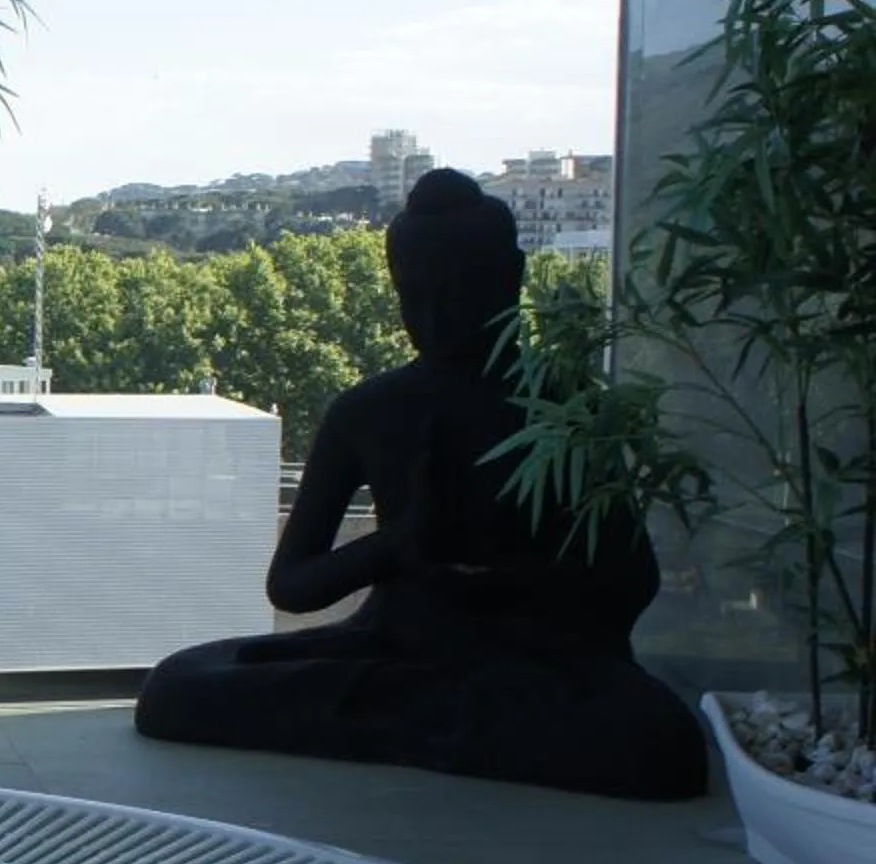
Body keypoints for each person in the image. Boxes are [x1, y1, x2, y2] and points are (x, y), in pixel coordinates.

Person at [134, 169, 706, 800]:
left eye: (457, 296)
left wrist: (501, 577)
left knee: (659, 740)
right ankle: (436, 729)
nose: (433, 320)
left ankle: (419, 728)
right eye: (414, 298)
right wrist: (401, 544)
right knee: (177, 685)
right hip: (395, 653)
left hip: (532, 661)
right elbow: (292, 586)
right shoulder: (369, 411)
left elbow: (632, 581)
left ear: (510, 280)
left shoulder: (565, 405)